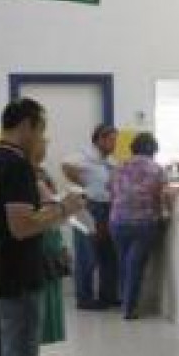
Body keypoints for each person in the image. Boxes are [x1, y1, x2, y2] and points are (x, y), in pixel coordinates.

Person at [0, 99, 84, 356]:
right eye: (41, 131)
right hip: (18, 276)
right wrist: (63, 209)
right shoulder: (15, 165)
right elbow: (21, 226)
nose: (42, 139)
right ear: (27, 126)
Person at [30, 137, 70, 356]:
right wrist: (65, 207)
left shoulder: (40, 174)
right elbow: (47, 213)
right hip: (38, 257)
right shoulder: (26, 178)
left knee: (33, 334)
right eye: (42, 137)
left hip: (48, 253)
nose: (45, 144)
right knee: (28, 334)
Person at [110, 132, 170, 320]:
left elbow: (111, 190)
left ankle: (124, 301)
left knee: (123, 263)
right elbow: (160, 196)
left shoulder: (119, 166)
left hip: (118, 221)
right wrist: (162, 216)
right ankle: (129, 307)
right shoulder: (157, 169)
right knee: (135, 265)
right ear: (153, 149)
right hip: (144, 222)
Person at [63, 124, 119, 310]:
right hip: (88, 206)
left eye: (115, 140)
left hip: (107, 207)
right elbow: (65, 165)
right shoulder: (84, 154)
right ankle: (84, 298)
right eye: (111, 140)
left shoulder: (111, 160)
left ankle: (108, 295)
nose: (114, 143)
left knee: (108, 254)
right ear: (99, 139)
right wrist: (83, 184)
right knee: (86, 254)